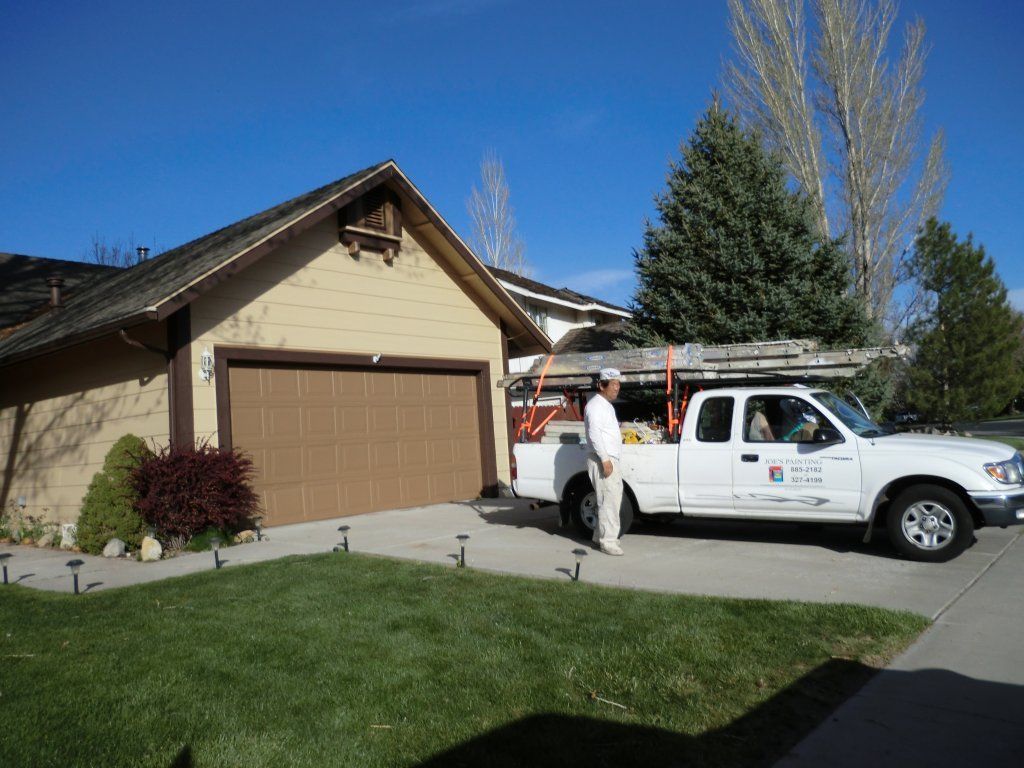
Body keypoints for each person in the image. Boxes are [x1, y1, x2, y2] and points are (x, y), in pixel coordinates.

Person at [584, 368, 624, 556]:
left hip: (608, 458)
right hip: (603, 459)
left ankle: (599, 535)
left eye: (618, 384)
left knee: (611, 499)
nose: (617, 388)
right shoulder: (595, 406)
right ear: (601, 385)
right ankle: (608, 542)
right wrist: (605, 460)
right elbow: (594, 433)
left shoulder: (605, 405)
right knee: (609, 500)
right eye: (613, 384)